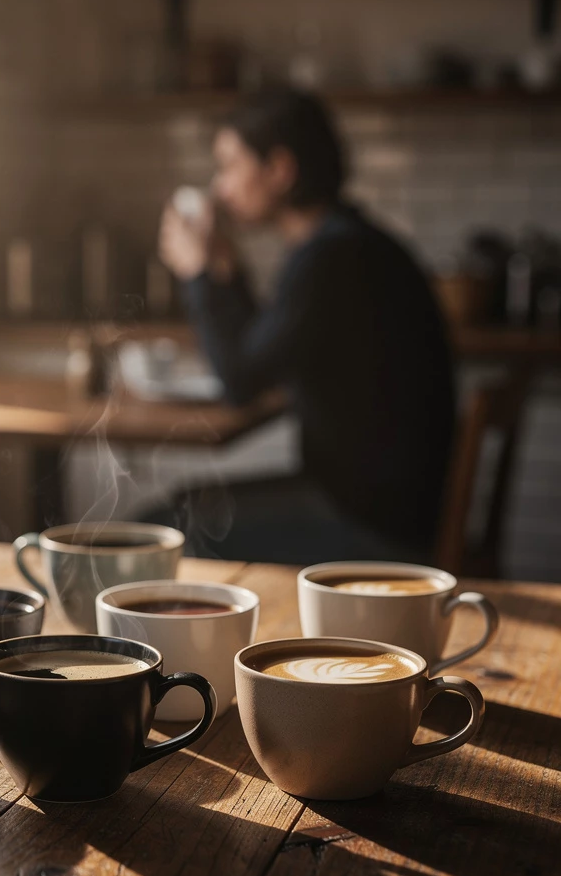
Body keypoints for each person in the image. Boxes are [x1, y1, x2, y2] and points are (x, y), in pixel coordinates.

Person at [151, 87, 455, 565]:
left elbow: (239, 382)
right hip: (382, 506)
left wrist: (197, 274)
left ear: (279, 170)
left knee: (163, 530)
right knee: (180, 511)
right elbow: (259, 355)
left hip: (372, 525)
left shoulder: (331, 260)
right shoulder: (349, 246)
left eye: (229, 166)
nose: (221, 188)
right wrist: (225, 273)